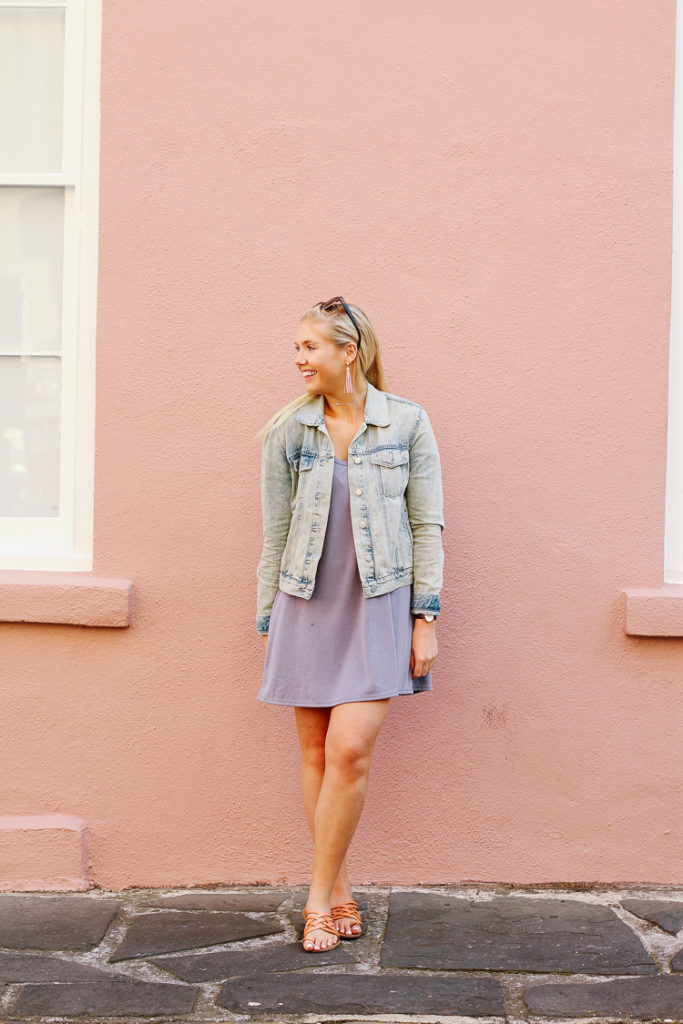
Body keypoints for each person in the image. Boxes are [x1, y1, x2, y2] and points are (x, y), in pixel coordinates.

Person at [256, 296, 444, 953]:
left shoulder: (407, 424)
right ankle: (336, 890)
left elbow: (427, 524)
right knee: (313, 752)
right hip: (304, 602)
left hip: (379, 604)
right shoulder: (290, 430)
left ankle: (312, 899)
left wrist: (426, 617)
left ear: (348, 352)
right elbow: (274, 532)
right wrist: (266, 614)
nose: (299, 359)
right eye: (297, 348)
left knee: (349, 750)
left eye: (310, 347)